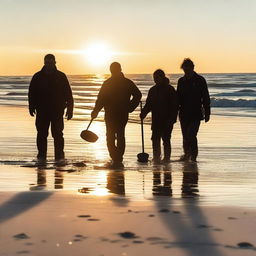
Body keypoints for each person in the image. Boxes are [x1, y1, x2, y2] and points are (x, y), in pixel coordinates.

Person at [91, 62, 141, 168]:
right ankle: (115, 157)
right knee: (112, 136)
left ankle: (117, 158)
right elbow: (101, 99)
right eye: (112, 69)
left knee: (117, 135)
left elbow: (138, 95)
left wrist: (130, 107)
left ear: (119, 69)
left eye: (115, 69)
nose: (113, 70)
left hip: (121, 113)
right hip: (111, 113)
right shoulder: (108, 83)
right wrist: (95, 111)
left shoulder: (125, 82)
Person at [28, 54, 73, 164]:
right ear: (44, 63)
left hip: (57, 111)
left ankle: (59, 158)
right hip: (42, 110)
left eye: (51, 62)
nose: (49, 65)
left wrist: (70, 109)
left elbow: (68, 93)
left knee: (58, 134)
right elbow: (32, 93)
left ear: (55, 62)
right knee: (42, 134)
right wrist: (31, 106)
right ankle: (41, 157)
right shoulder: (37, 76)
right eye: (47, 62)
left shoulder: (61, 76)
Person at [140, 69, 178, 163]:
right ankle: (156, 158)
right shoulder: (153, 90)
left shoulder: (170, 89)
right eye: (154, 78)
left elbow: (175, 106)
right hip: (156, 119)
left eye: (157, 78)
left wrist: (172, 119)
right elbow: (149, 104)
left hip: (167, 119)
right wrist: (143, 113)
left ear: (162, 77)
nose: (155, 80)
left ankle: (166, 159)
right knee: (155, 139)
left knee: (166, 139)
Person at [177, 58, 210, 162]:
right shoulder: (181, 81)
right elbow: (177, 98)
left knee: (191, 134)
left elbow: (205, 97)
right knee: (185, 136)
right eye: (184, 69)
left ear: (192, 68)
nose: (186, 71)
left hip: (196, 113)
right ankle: (187, 155)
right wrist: (174, 112)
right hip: (183, 113)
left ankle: (194, 157)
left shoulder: (200, 80)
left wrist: (207, 112)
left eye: (188, 69)